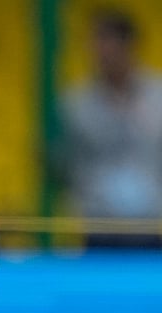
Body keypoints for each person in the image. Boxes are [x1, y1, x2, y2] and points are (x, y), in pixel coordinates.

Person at [60, 9, 162, 249]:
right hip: (99, 227)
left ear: (130, 46)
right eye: (96, 45)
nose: (102, 54)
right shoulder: (77, 104)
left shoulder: (158, 97)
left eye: (109, 45)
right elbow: (69, 164)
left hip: (153, 225)